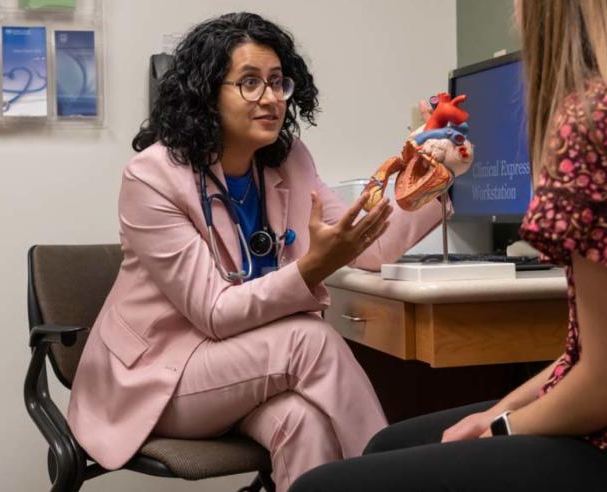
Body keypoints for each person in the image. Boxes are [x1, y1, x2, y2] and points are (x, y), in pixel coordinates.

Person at [289, 0, 607, 490]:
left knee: (322, 486)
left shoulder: (599, 122)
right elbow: (594, 356)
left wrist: (500, 430)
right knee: (387, 445)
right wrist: (499, 412)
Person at [66, 12, 448, 491]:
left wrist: (436, 178)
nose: (270, 98)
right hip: (161, 379)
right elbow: (214, 313)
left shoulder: (289, 160)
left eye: (277, 82)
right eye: (249, 83)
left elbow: (369, 247)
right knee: (310, 340)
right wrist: (313, 266)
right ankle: (398, 482)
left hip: (253, 366)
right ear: (207, 93)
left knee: (304, 422)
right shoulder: (151, 177)